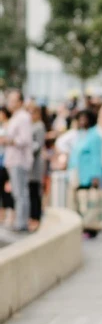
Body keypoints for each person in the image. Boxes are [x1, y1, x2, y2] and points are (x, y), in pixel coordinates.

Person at [0, 90, 32, 232]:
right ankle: (20, 221)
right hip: (13, 159)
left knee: (20, 193)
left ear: (20, 102)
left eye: (13, 100)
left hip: (19, 160)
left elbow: (24, 139)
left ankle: (21, 223)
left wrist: (7, 140)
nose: (10, 103)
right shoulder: (16, 117)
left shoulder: (23, 117)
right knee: (17, 192)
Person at [68, 110, 102, 238]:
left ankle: (91, 227)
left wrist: (95, 176)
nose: (82, 122)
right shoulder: (80, 134)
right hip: (78, 172)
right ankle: (82, 226)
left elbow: (96, 157)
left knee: (89, 202)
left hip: (88, 173)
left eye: (85, 119)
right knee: (79, 201)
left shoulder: (94, 136)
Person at [27, 103, 46, 232]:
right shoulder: (31, 125)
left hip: (35, 164)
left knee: (35, 192)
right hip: (29, 163)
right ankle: (31, 217)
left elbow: (38, 145)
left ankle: (36, 218)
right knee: (30, 191)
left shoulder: (39, 126)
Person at [0, 106, 14, 227]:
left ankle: (11, 215)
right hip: (2, 161)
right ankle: (2, 214)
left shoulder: (9, 126)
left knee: (7, 190)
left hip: (7, 162)